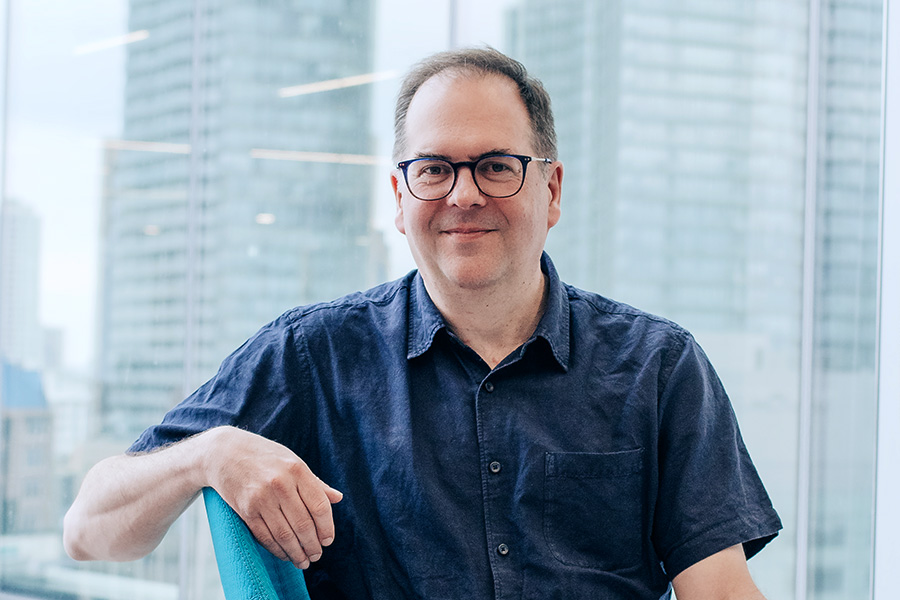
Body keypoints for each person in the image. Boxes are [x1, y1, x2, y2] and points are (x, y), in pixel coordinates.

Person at [64, 47, 782, 599]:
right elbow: (89, 530)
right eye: (434, 169)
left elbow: (718, 589)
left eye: (496, 166)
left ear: (552, 189)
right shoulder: (313, 355)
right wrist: (207, 453)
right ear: (400, 199)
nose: (463, 195)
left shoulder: (660, 367)